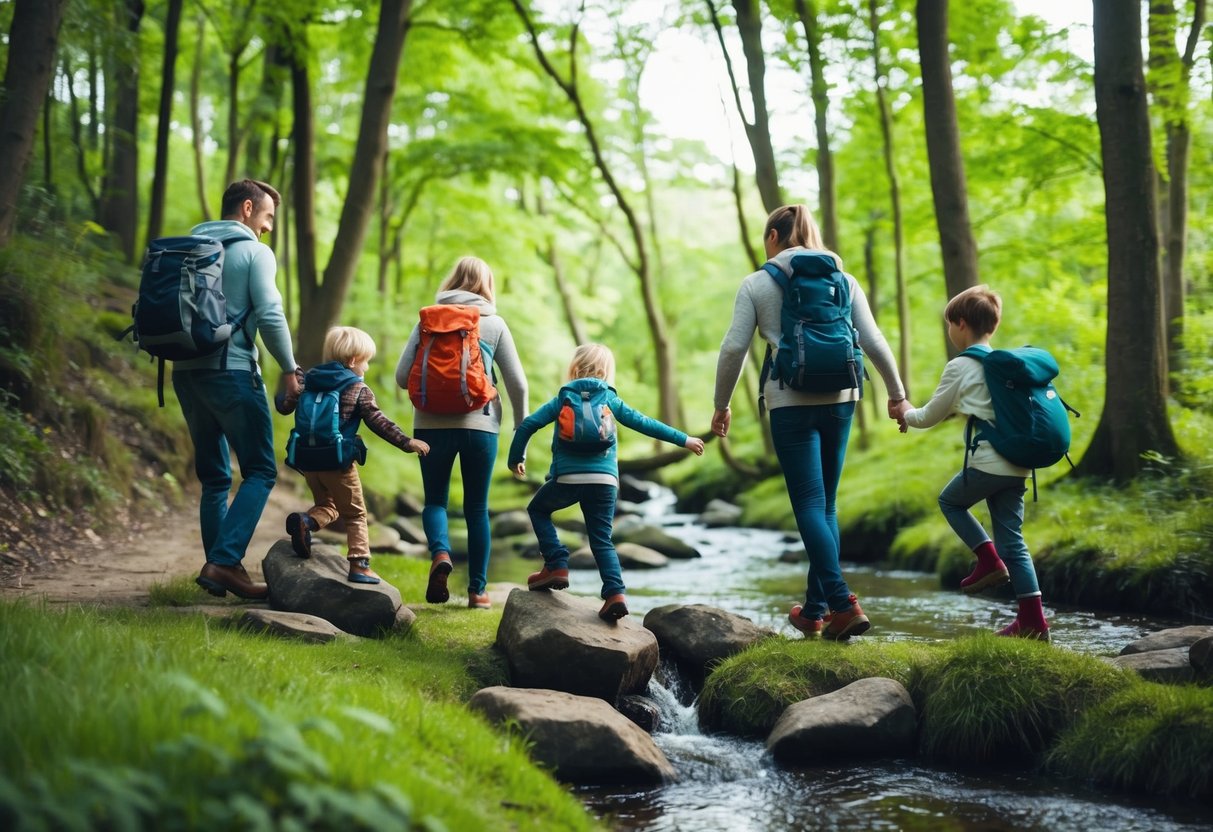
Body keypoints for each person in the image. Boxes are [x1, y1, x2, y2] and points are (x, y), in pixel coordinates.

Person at [712, 204, 907, 640]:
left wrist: (721, 404)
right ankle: (815, 611)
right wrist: (897, 394)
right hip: (842, 396)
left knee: (807, 503)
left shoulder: (758, 283)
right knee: (828, 505)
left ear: (774, 237)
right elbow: (872, 339)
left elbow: (732, 349)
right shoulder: (844, 279)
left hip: (789, 399)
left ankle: (841, 600)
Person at [891, 285, 1050, 640]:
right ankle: (1033, 622)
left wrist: (905, 411)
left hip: (989, 463)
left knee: (950, 501)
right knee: (1014, 542)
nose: (949, 331)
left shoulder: (961, 366)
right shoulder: (1004, 367)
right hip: (1019, 464)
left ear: (961, 324)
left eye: (949, 324)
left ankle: (988, 560)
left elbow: (931, 414)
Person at [508, 343, 705, 621]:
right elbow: (644, 422)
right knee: (601, 540)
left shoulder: (564, 398)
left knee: (538, 510)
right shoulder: (609, 399)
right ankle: (615, 594)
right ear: (606, 372)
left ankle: (556, 564)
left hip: (568, 478)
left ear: (574, 369)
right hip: (605, 481)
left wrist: (515, 458)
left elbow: (528, 424)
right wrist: (684, 439)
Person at [176, 179, 302, 600]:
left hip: (185, 374)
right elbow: (269, 312)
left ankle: (217, 572)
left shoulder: (186, 247)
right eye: (267, 218)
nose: (267, 228)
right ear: (247, 209)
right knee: (261, 470)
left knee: (214, 478)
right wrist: (289, 367)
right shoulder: (254, 252)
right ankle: (225, 561)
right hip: (231, 372)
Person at [395, 256, 528, 609]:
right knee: (477, 508)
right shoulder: (495, 324)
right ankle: (478, 591)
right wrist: (520, 429)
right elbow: (518, 384)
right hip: (480, 426)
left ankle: (440, 554)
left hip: (429, 425)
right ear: (487, 286)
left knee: (435, 500)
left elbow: (400, 375)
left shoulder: (427, 320)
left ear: (452, 281)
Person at [277, 326, 430, 584]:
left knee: (328, 506)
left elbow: (283, 405)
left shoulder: (308, 382)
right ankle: (360, 564)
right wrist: (407, 442)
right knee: (356, 515)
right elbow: (379, 422)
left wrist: (287, 387)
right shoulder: (358, 389)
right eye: (366, 361)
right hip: (338, 463)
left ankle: (306, 521)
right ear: (352, 361)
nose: (367, 368)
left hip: (309, 462)